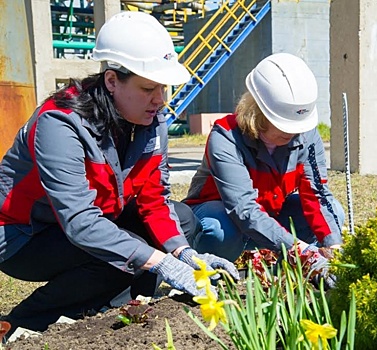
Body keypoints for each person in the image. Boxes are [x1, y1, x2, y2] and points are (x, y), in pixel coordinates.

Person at [0, 11, 238, 337]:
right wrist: (160, 262)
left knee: (180, 221)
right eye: (148, 88)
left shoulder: (150, 121)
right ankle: (22, 322)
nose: (160, 100)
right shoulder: (61, 122)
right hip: (24, 235)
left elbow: (156, 200)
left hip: (87, 222)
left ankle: (122, 306)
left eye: (163, 88)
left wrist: (186, 254)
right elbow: (81, 223)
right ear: (112, 81)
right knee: (126, 254)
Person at [183, 53, 345, 286]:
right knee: (220, 227)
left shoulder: (306, 136)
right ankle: (211, 276)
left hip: (270, 217)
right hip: (224, 219)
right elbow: (243, 209)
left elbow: (317, 194)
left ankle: (284, 282)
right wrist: (303, 252)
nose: (292, 133)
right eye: (283, 125)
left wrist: (333, 247)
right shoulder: (226, 136)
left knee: (334, 213)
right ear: (257, 111)